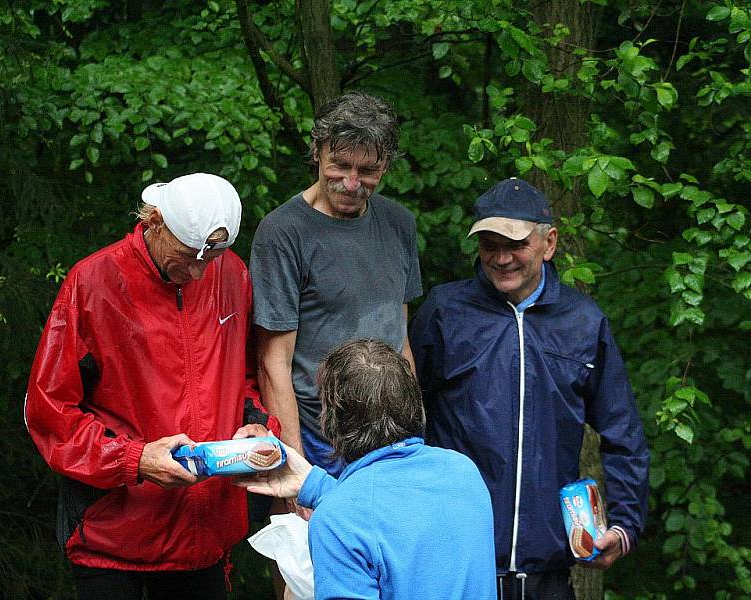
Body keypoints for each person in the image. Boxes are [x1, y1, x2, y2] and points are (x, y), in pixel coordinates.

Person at [24, 173, 280, 600]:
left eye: (212, 257)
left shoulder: (232, 274)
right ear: (155, 221)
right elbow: (49, 412)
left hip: (205, 535)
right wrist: (136, 459)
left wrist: (254, 423)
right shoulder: (93, 283)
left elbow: (248, 377)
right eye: (190, 256)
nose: (199, 273)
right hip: (112, 537)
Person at [409, 178, 650, 600]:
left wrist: (625, 525)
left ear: (549, 242)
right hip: (456, 568)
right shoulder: (444, 312)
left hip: (550, 575)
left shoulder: (583, 321)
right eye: (488, 245)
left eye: (515, 245)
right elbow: (403, 421)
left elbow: (623, 432)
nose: (501, 259)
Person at [239, 339, 497, 600]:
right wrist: (315, 485)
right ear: (413, 403)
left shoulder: (338, 520)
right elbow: (396, 517)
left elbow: (368, 517)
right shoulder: (463, 472)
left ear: (331, 422)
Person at [249, 91, 422, 476]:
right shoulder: (283, 232)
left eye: (368, 170)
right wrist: (294, 468)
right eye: (340, 165)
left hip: (393, 438)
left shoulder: (399, 224)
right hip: (320, 437)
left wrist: (416, 429)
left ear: (386, 166)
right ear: (317, 153)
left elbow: (401, 339)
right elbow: (272, 363)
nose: (351, 182)